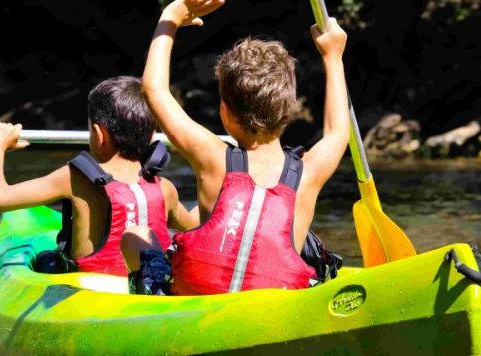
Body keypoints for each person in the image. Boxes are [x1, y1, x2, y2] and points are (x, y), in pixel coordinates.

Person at [123, 0, 349, 295]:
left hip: (197, 304)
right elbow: (337, 132)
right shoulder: (309, 173)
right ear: (289, 112)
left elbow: (153, 90)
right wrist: (333, 57)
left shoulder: (211, 157)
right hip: (268, 313)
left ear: (224, 112)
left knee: (135, 236)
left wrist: (170, 17)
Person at [0, 75, 197, 277]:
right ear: (152, 135)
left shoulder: (76, 178)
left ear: (99, 134)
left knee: (47, 260)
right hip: (145, 294)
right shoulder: (164, 188)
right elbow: (194, 227)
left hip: (93, 295)